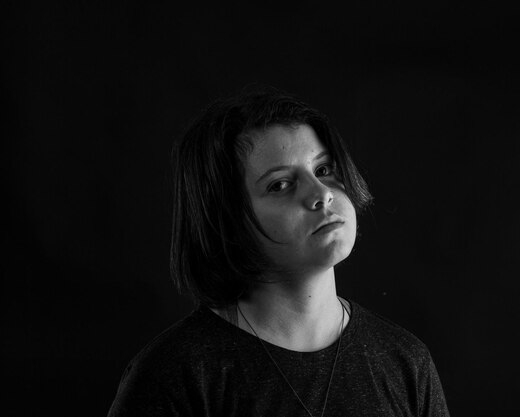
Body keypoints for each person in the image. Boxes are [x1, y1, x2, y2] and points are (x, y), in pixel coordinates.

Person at [107, 87, 450, 416]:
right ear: (228, 220)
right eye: (280, 185)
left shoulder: (405, 361)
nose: (321, 194)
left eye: (324, 169)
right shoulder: (178, 376)